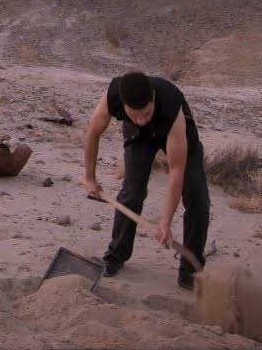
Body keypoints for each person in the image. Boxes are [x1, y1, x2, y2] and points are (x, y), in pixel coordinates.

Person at [81, 71, 210, 290]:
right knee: (132, 192)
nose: (142, 119)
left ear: (152, 97)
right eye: (134, 115)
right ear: (124, 104)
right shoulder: (113, 97)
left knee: (198, 199)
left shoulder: (171, 106)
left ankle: (190, 271)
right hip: (139, 138)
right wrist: (90, 178)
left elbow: (176, 172)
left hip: (175, 133)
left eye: (147, 113)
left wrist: (165, 222)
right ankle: (115, 255)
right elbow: (92, 133)